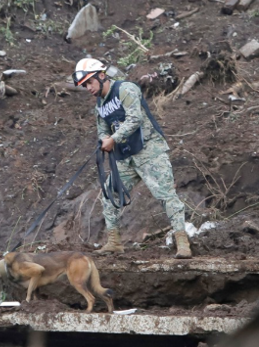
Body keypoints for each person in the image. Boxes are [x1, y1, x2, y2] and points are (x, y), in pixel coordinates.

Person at [72, 58, 192, 259]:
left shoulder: (125, 89)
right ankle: (114, 242)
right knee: (109, 194)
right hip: (125, 156)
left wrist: (113, 139)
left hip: (149, 151)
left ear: (101, 76)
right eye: (84, 85)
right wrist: (104, 139)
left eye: (89, 82)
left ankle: (182, 243)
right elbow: (102, 128)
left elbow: (135, 119)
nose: (88, 88)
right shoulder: (100, 104)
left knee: (165, 195)